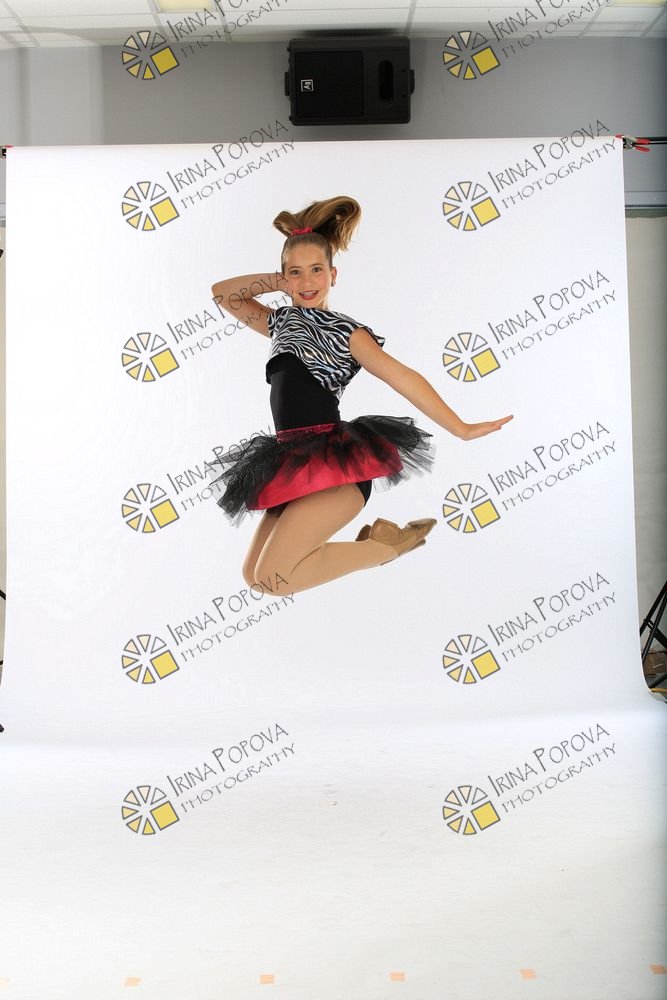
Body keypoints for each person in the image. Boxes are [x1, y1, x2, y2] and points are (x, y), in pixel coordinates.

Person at [208, 196, 512, 596]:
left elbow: (403, 377)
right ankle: (383, 543)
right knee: (254, 577)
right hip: (292, 463)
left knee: (273, 579)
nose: (307, 281)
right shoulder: (279, 322)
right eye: (296, 273)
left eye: (317, 270)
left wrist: (461, 427)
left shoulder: (348, 333)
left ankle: (385, 548)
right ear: (283, 277)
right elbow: (223, 294)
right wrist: (278, 281)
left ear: (333, 275)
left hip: (335, 467)